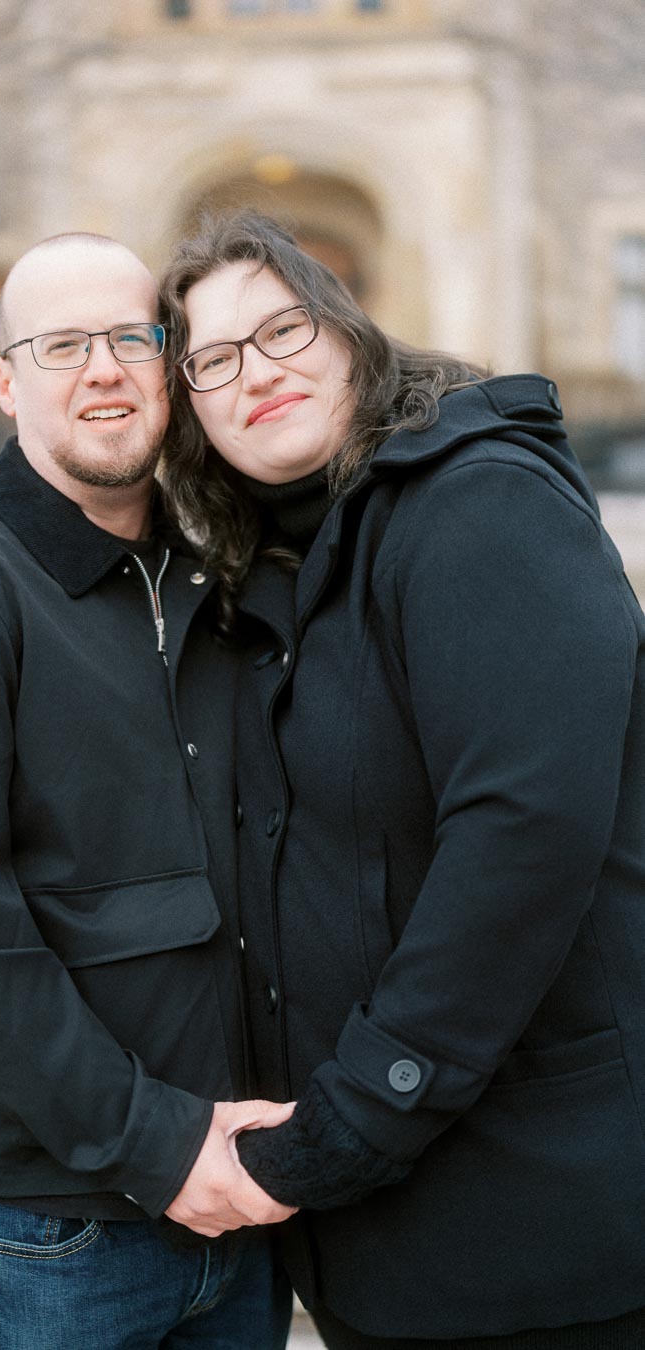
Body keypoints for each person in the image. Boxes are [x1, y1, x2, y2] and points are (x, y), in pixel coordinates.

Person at [158, 210, 645, 1349]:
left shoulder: (479, 507)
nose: (255, 373)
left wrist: (348, 1124)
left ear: (351, 334)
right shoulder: (287, 567)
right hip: (389, 1244)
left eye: (282, 328)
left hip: (548, 1237)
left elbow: (518, 844)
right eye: (212, 359)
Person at [0, 232, 296, 1350]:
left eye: (133, 339)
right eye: (62, 345)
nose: (103, 369)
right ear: (5, 381)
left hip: (238, 1196)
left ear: (172, 366)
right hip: (45, 1227)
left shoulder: (214, 578)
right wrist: (156, 1144)